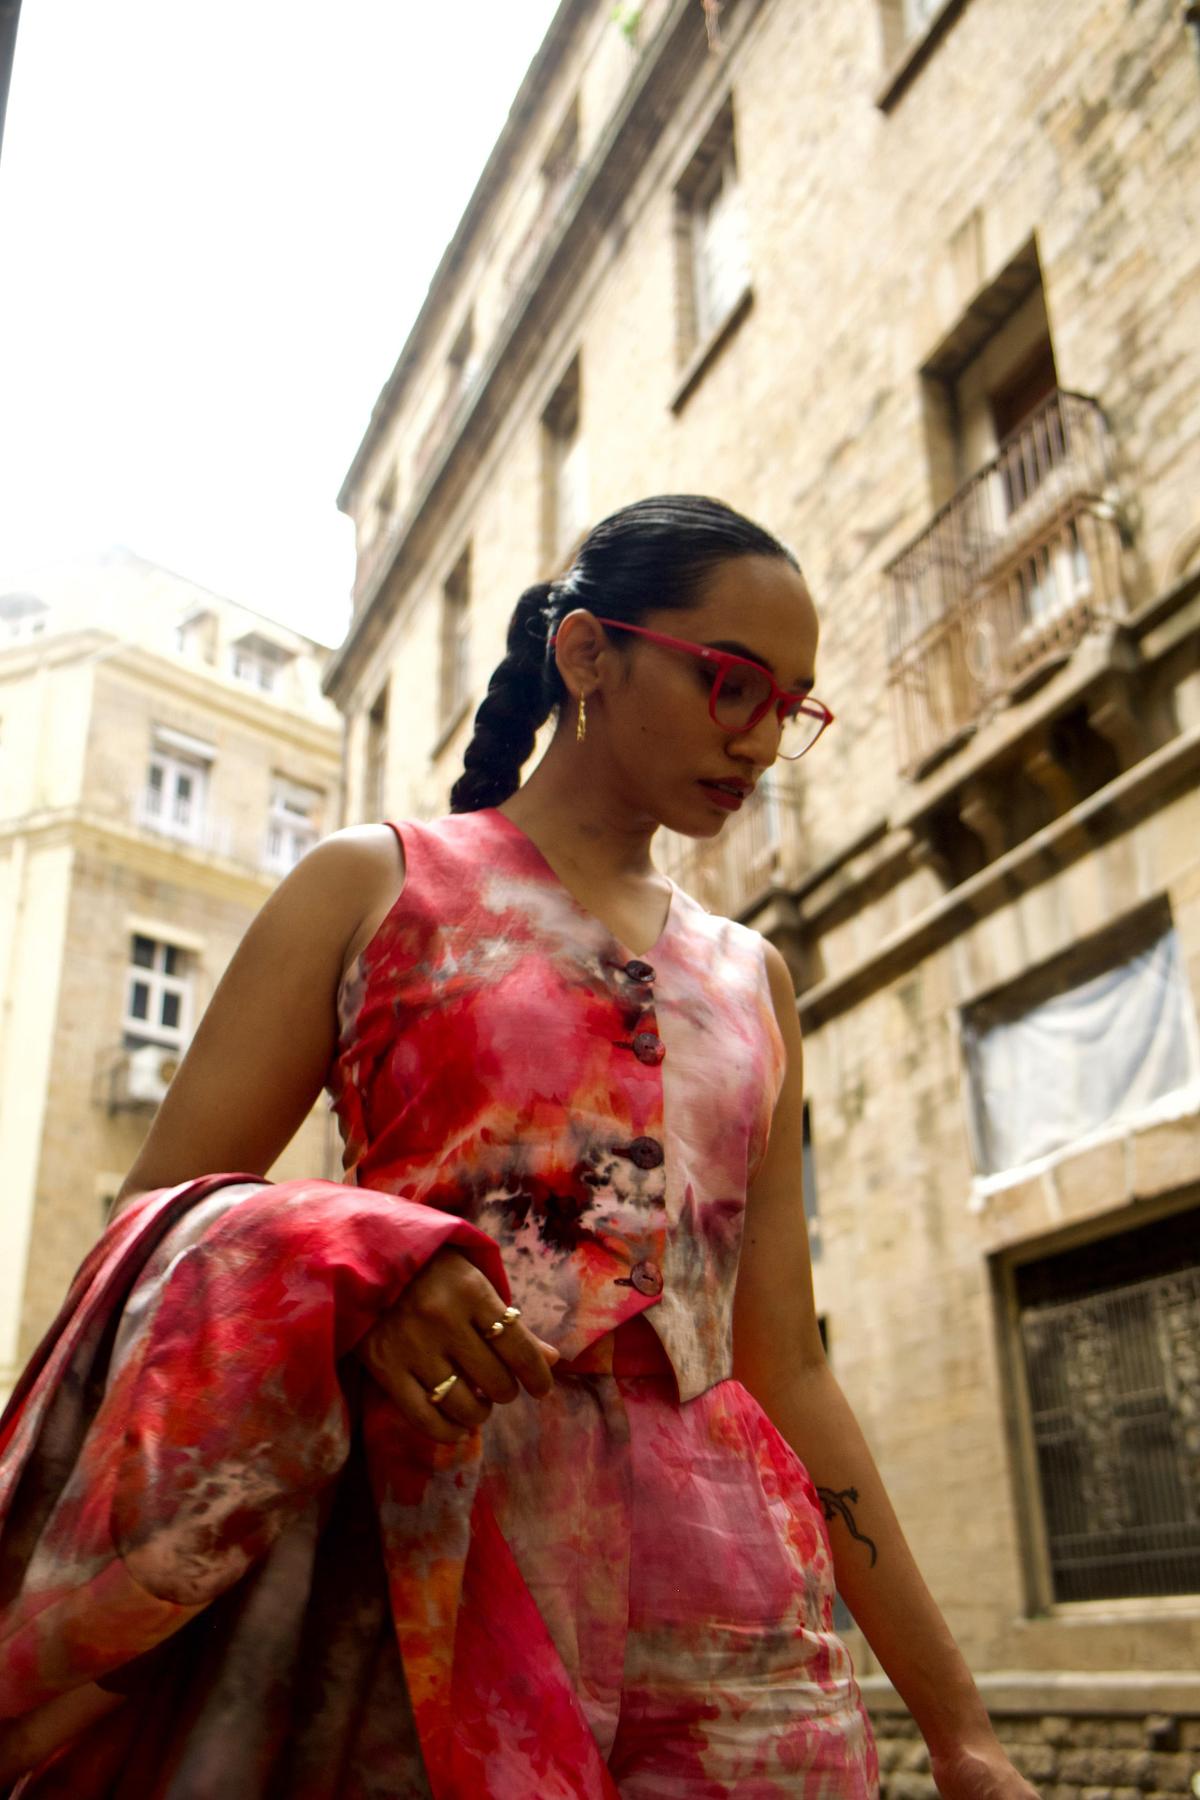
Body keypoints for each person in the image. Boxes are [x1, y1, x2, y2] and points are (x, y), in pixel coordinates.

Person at [0, 496, 1037, 1799]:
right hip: (424, 1577)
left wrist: (960, 1731)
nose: (763, 738)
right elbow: (148, 1214)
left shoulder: (752, 980)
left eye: (792, 705)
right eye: (731, 683)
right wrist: (364, 1264)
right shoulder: (373, 886)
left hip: (734, 1628)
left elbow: (786, 1362)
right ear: (590, 653)